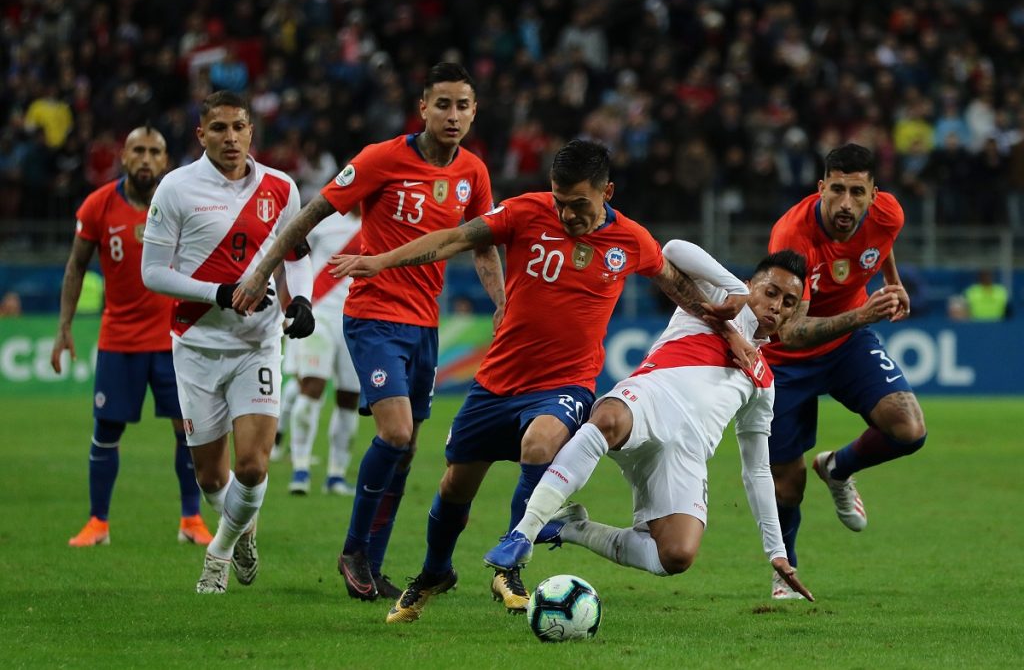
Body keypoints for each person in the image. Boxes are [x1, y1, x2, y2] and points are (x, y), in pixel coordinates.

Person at [329, 139, 731, 623]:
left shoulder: (630, 240)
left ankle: (511, 560)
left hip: (566, 383)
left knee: (540, 445)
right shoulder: (523, 212)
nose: (567, 214)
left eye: (579, 204)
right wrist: (382, 260)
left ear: (607, 191)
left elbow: (675, 283)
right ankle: (435, 571)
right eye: (560, 201)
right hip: (498, 379)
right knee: (456, 485)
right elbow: (453, 239)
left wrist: (729, 330)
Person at [232, 63, 505, 602]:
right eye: (443, 104)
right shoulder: (382, 158)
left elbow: (482, 244)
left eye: (463, 106)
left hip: (425, 324)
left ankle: (372, 566)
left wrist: (503, 306)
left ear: (474, 112)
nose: (453, 116)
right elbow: (311, 213)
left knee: (407, 450)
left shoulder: (473, 172)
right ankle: (354, 548)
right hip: (374, 315)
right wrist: (263, 271)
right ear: (422, 107)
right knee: (397, 433)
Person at [483, 246, 813, 604]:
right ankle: (523, 534)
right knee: (608, 417)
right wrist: (733, 294)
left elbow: (757, 469)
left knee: (675, 556)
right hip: (651, 401)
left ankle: (569, 527)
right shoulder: (716, 297)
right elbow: (672, 250)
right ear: (750, 286)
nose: (777, 305)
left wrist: (776, 550)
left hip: (686, 454)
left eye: (789, 302)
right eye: (770, 292)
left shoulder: (763, 381)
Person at [140, 90, 315, 594]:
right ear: (201, 134)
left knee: (254, 464)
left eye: (239, 127)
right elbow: (152, 272)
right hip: (195, 344)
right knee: (212, 478)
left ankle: (217, 554)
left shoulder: (281, 189)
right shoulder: (175, 188)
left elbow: (296, 253)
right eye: (219, 128)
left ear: (251, 131)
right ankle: (238, 530)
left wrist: (298, 300)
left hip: (256, 344)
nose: (231, 138)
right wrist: (217, 292)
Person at [762, 143, 927, 600]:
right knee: (787, 483)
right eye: (837, 190)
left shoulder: (889, 214)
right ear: (821, 188)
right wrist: (862, 315)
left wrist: (892, 282)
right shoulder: (792, 236)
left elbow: (881, 244)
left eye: (858, 192)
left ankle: (837, 468)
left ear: (875, 194)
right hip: (787, 359)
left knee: (908, 428)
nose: (846, 203)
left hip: (848, 343)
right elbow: (789, 331)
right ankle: (786, 574)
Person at [51, 126, 213, 549]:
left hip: (175, 340)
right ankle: (97, 523)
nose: (145, 159)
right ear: (123, 157)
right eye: (137, 151)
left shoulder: (182, 201)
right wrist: (64, 327)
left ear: (165, 159)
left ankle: (191, 518)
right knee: (106, 430)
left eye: (154, 151)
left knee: (188, 430)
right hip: (119, 340)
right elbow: (75, 267)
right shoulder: (99, 204)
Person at [286, 210, 363, 497]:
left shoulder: (378, 222)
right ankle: (301, 468)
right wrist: (290, 306)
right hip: (319, 316)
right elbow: (295, 263)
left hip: (356, 319)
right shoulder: (323, 220)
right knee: (311, 388)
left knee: (348, 398)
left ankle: (336, 475)